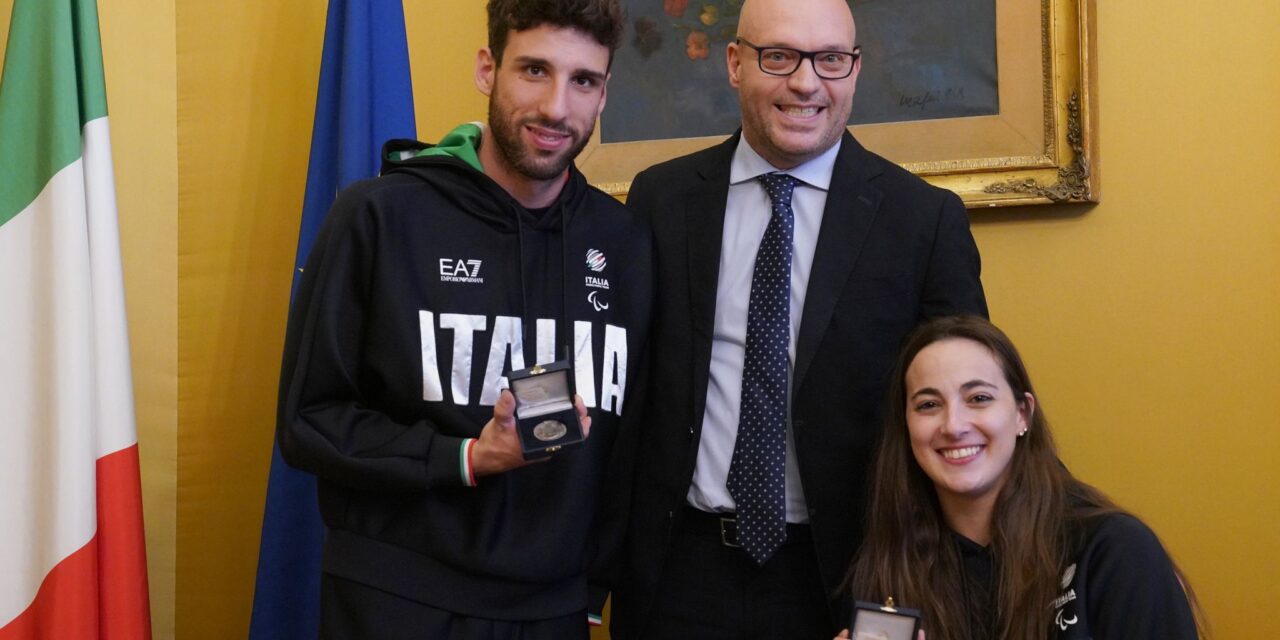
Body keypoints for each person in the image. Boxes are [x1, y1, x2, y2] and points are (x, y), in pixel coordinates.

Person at [276, 1, 651, 638]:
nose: (558, 107)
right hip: (395, 600)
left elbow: (630, 443)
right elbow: (310, 421)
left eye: (583, 80)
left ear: (603, 92)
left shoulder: (623, 242)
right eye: (534, 70)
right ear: (487, 69)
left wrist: (589, 593)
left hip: (550, 610)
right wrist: (468, 457)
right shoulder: (379, 217)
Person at [612, 0, 987, 636]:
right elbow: (626, 380)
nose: (806, 83)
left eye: (830, 60)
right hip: (680, 568)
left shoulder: (921, 221)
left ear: (855, 69)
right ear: (735, 63)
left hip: (848, 575)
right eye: (778, 57)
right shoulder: (661, 199)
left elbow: (972, 406)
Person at [839, 316, 1202, 640]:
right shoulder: (889, 565)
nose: (953, 425)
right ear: (906, 427)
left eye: (979, 398)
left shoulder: (1115, 549)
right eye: (928, 405)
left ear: (1022, 414)